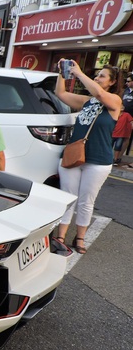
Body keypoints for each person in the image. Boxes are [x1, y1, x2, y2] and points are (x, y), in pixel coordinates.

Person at [54, 60, 121, 254]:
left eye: (102, 76)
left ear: (112, 82)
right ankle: (60, 236)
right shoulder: (86, 101)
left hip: (99, 160)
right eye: (97, 75)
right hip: (74, 156)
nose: (97, 78)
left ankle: (80, 237)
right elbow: (61, 94)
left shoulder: (115, 101)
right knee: (68, 197)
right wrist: (62, 72)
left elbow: (100, 94)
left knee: (86, 200)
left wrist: (79, 72)